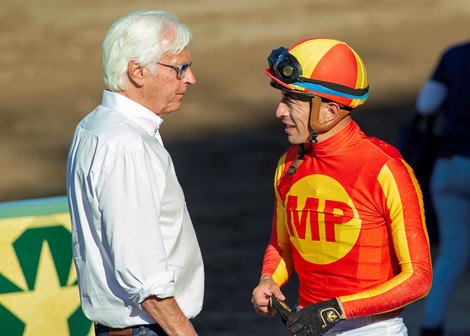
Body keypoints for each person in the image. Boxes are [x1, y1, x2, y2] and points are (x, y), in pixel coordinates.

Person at [251, 38, 432, 336]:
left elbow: (418, 277)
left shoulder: (386, 169)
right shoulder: (287, 164)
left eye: (291, 100)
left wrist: (338, 308)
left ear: (330, 111)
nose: (279, 111)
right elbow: (281, 245)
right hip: (308, 323)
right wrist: (268, 279)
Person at [66, 10, 203, 336]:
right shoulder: (127, 144)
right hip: (150, 328)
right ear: (138, 72)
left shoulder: (93, 126)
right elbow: (144, 275)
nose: (191, 78)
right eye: (180, 68)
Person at [415, 41, 470, 336]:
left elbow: (426, 105)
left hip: (448, 167)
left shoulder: (454, 55)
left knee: (452, 252)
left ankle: (431, 325)